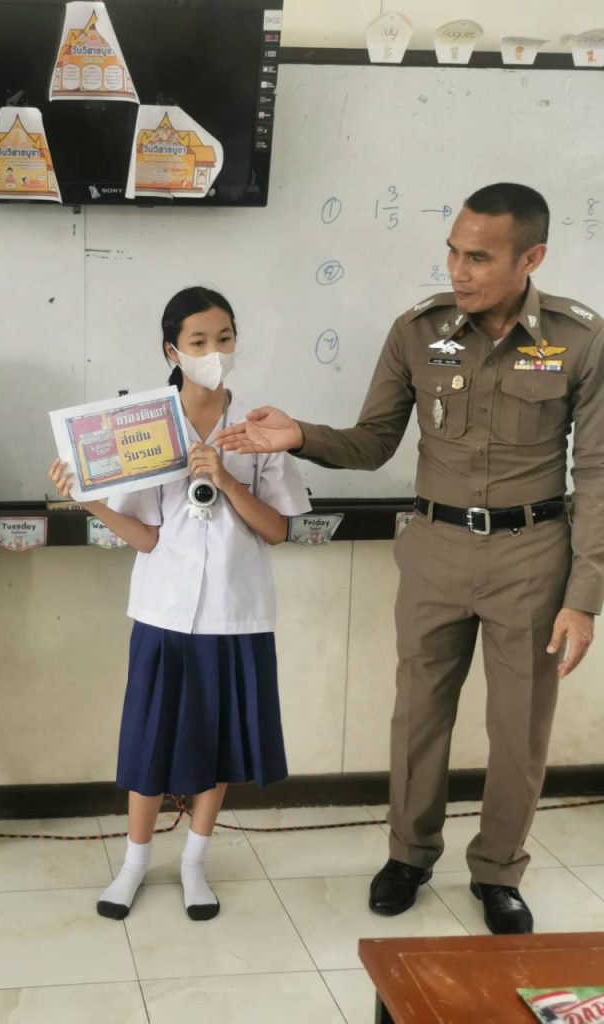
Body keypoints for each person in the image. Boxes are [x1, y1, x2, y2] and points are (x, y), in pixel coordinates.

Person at [216, 183, 604, 934]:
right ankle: (409, 855)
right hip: (434, 551)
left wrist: (583, 596)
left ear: (531, 258)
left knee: (520, 729)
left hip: (532, 557)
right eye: (453, 251)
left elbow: (596, 473)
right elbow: (372, 444)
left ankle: (498, 871)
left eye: (479, 257)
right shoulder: (418, 331)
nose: (458, 269)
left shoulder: (581, 340)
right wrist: (300, 435)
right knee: (418, 716)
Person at [49, 286, 310, 920]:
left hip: (235, 612)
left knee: (216, 744)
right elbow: (145, 537)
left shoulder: (258, 428)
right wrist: (88, 498)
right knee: (150, 740)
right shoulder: (144, 428)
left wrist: (225, 479)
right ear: (173, 351)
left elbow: (278, 529)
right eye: (199, 341)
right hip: (163, 610)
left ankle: (195, 861)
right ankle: (134, 863)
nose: (214, 352)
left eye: (224, 338)